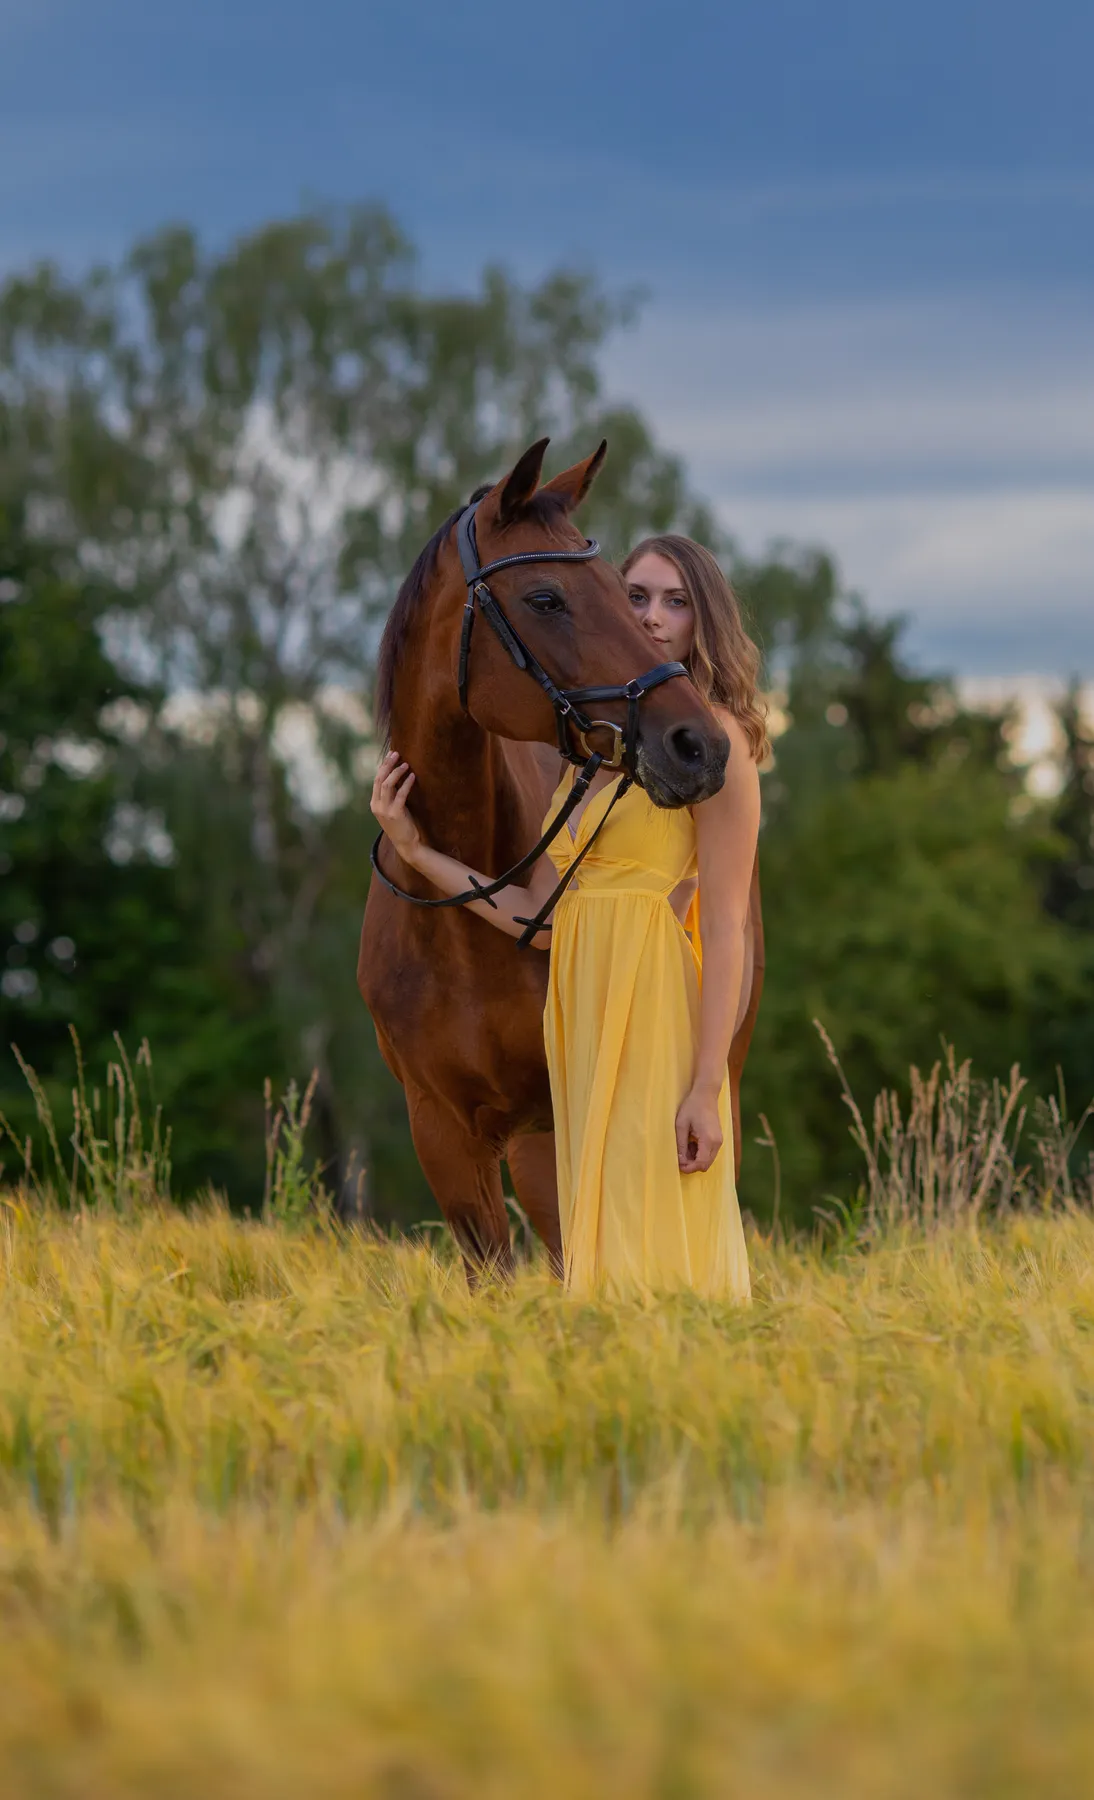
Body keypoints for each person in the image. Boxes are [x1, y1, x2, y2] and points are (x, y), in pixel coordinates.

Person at [371, 535, 765, 1299]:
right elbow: (536, 915)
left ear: (703, 618)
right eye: (637, 597)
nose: (652, 618)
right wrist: (417, 852)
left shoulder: (717, 746)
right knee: (596, 1249)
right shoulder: (599, 757)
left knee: (656, 1233)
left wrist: (705, 1086)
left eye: (675, 602)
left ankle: (699, 1385)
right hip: (581, 1018)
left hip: (651, 1008)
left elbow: (724, 929)